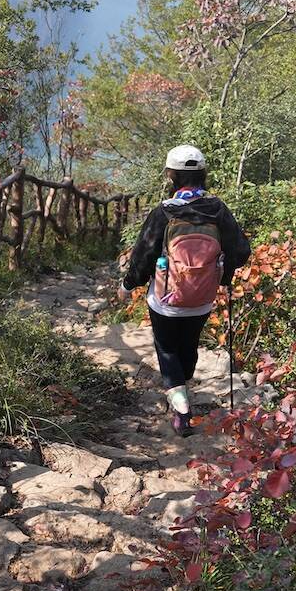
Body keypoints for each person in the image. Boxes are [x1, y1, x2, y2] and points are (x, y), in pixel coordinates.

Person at [118, 145, 250, 437]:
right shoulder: (218, 210)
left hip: (165, 299)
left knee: (167, 349)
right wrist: (221, 273)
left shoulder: (165, 212)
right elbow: (241, 251)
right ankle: (182, 389)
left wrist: (128, 285)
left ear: (171, 176)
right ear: (203, 174)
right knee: (188, 347)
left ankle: (181, 409)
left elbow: (143, 255)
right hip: (202, 298)